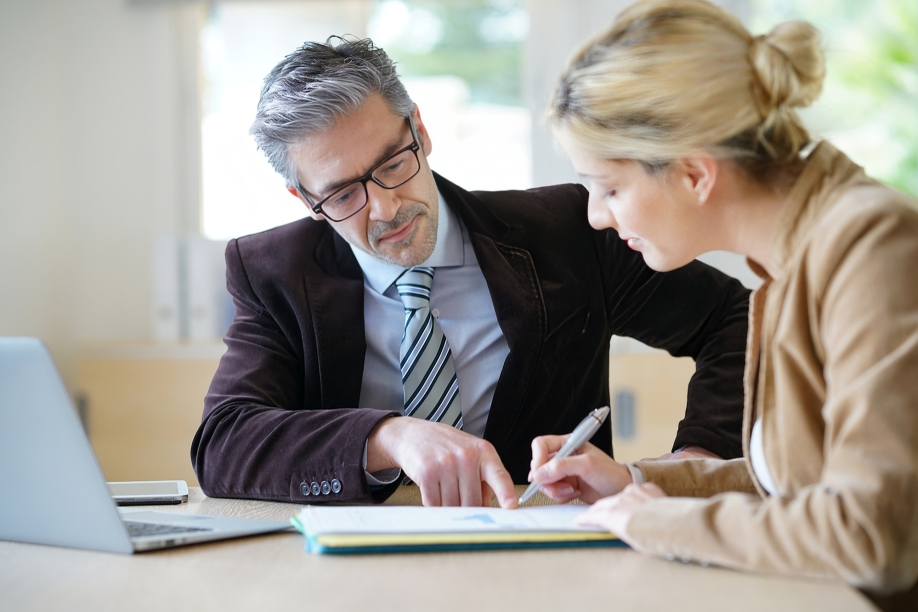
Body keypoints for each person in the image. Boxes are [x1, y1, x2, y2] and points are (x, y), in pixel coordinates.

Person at [190, 35, 750, 510]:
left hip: (546, 551)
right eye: (341, 194)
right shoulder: (273, 272)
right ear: (302, 196)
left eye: (392, 164)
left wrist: (697, 459)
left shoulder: (566, 233)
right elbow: (223, 445)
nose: (385, 209)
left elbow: (735, 318)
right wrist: (386, 437)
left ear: (420, 130)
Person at [528, 0, 918, 600]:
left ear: (694, 174)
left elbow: (868, 532)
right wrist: (630, 482)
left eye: (609, 187)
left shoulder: (871, 249)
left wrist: (657, 522)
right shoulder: (795, 259)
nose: (595, 216)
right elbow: (793, 485)